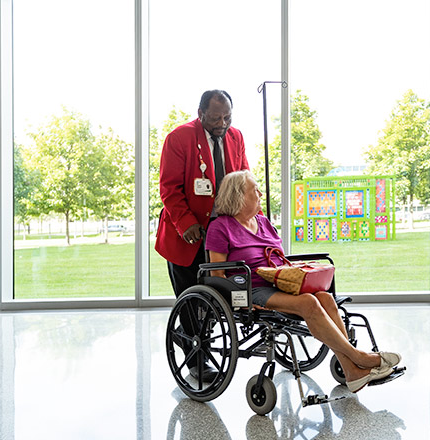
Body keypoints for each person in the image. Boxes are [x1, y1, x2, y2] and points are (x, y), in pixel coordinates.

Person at [206, 170, 402, 392]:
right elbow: (217, 274)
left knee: (326, 299)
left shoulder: (262, 222)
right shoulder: (220, 227)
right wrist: (242, 302)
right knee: (308, 302)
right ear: (238, 196)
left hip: (280, 282)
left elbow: (280, 258)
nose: (260, 193)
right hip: (252, 289)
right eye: (255, 190)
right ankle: (360, 357)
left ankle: (353, 372)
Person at [155, 90, 251, 382]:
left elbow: (243, 179)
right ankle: (195, 358)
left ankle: (193, 341)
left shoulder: (236, 137)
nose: (222, 123)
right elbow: (169, 189)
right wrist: (186, 224)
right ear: (201, 114)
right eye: (216, 118)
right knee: (192, 300)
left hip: (221, 234)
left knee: (215, 297)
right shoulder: (179, 138)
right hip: (187, 235)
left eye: (227, 117)